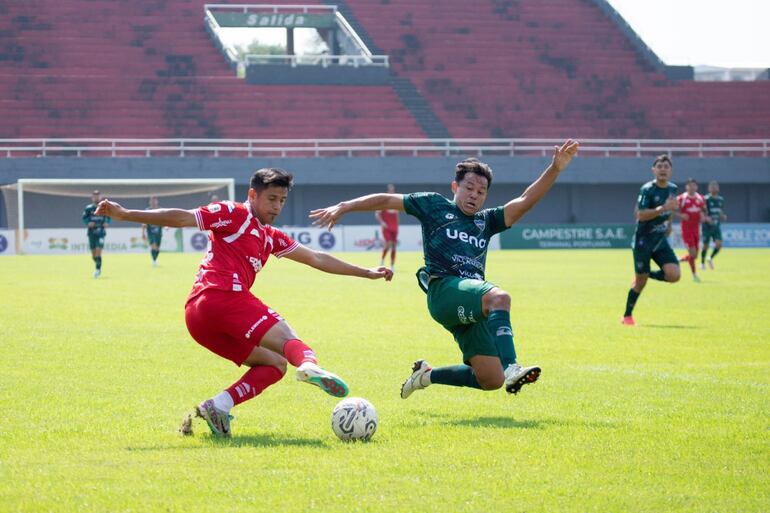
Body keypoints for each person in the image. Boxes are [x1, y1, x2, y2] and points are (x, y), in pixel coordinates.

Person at [95, 168, 393, 437]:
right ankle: (309, 364)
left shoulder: (270, 236)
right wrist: (126, 214)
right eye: (272, 199)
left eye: (282, 200)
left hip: (200, 319)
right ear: (253, 195)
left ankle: (218, 407)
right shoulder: (233, 213)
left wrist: (365, 272)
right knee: (286, 337)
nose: (276, 207)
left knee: (275, 364)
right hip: (220, 297)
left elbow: (315, 257)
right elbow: (184, 217)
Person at [311, 140, 579, 399]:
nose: (474, 195)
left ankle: (426, 375)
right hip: (444, 290)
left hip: (470, 299)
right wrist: (345, 206)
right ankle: (513, 367)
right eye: (469, 188)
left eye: (481, 191)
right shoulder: (434, 206)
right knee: (500, 298)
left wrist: (554, 168)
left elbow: (525, 200)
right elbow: (385, 200)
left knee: (490, 380)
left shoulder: (487, 221)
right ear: (455, 186)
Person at [622, 155, 681, 326]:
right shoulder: (647, 189)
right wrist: (662, 208)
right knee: (641, 283)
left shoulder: (672, 189)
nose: (663, 169)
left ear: (670, 171)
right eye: (659, 166)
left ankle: (644, 274)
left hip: (659, 240)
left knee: (674, 275)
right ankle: (627, 316)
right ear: (653, 170)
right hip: (643, 241)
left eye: (666, 166)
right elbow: (640, 214)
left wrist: (669, 224)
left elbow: (671, 209)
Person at [676, 178, 707, 282]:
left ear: (696, 187)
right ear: (686, 187)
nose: (691, 187)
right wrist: (681, 215)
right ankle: (694, 275)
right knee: (693, 254)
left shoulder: (700, 198)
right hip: (686, 230)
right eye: (689, 185)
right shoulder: (681, 198)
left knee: (695, 256)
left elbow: (703, 211)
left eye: (693, 185)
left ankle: (678, 260)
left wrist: (703, 216)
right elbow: (671, 210)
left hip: (696, 230)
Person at [82, 190, 110, 278]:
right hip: (91, 233)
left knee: (98, 252)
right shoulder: (88, 208)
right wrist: (88, 223)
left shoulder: (104, 207)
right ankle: (98, 265)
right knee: (93, 255)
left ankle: (97, 270)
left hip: (101, 232)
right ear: (92, 198)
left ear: (100, 197)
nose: (96, 198)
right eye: (95, 196)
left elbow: (109, 217)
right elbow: (84, 218)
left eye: (98, 196)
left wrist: (107, 223)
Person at [701, 181, 727, 270]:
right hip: (707, 226)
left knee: (719, 244)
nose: (714, 188)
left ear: (718, 188)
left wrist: (722, 215)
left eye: (715, 186)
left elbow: (719, 210)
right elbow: (701, 211)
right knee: (705, 246)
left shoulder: (720, 199)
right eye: (712, 186)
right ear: (709, 188)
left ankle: (710, 258)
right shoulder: (706, 199)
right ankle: (702, 263)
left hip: (716, 225)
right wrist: (706, 218)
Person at [374, 184, 399, 271]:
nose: (392, 191)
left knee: (394, 246)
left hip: (394, 227)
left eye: (393, 190)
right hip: (386, 227)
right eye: (390, 190)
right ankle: (382, 260)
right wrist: (382, 222)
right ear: (387, 191)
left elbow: (396, 214)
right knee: (388, 244)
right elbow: (377, 213)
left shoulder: (397, 201)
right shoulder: (384, 202)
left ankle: (392, 265)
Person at [142, 196, 163, 267]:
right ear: (150, 202)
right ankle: (154, 261)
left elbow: (165, 220)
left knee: (157, 248)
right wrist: (143, 233)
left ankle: (155, 259)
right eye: (152, 201)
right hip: (150, 232)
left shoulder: (160, 210)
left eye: (154, 201)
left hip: (159, 232)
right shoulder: (147, 210)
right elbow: (144, 223)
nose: (153, 202)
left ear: (157, 201)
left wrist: (166, 226)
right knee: (153, 245)